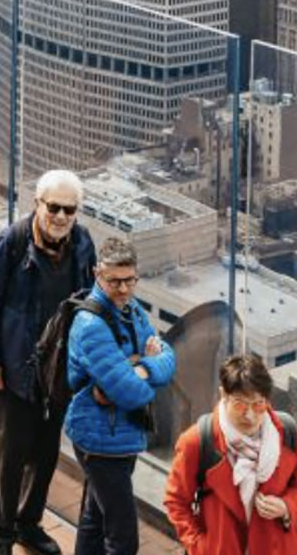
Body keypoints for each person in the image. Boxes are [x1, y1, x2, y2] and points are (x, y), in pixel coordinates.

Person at [0, 170, 100, 555]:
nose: (60, 216)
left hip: (60, 371)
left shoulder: (82, 243)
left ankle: (29, 524)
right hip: (16, 368)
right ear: (38, 204)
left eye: (69, 209)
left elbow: (91, 300)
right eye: (54, 207)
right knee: (11, 457)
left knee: (45, 455)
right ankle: (1, 536)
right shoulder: (11, 243)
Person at [63, 237, 175, 555]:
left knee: (94, 519)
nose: (124, 289)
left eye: (130, 280)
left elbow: (169, 357)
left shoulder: (131, 309)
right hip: (101, 441)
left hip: (117, 434)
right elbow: (131, 393)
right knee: (123, 538)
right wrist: (144, 364)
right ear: (98, 274)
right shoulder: (90, 325)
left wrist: (140, 366)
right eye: (114, 281)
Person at [163, 354, 297, 555]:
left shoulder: (286, 433)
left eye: (258, 404)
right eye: (240, 404)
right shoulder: (198, 441)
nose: (250, 415)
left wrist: (286, 506)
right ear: (223, 395)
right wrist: (199, 546)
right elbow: (176, 501)